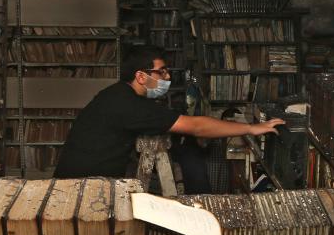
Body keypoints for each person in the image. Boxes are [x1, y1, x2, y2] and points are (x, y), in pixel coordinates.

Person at [55, 46, 285, 190]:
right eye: (161, 71)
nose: (166, 76)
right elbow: (196, 127)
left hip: (79, 177)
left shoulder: (117, 93)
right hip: (81, 186)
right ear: (141, 76)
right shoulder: (129, 104)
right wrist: (251, 128)